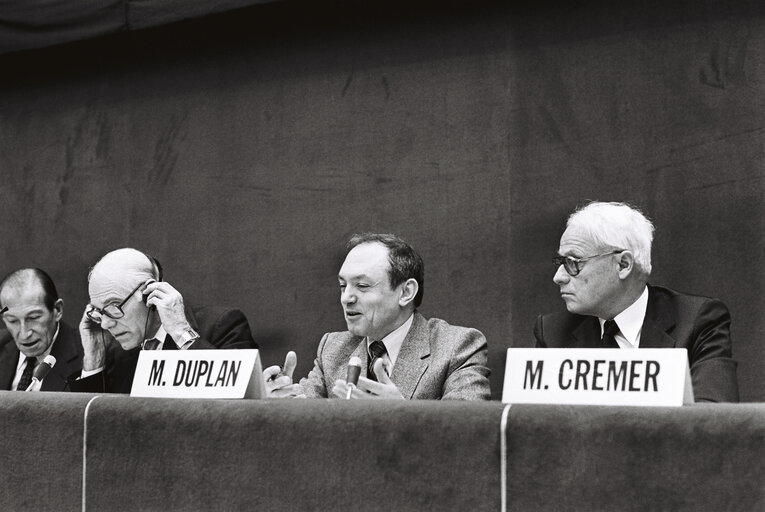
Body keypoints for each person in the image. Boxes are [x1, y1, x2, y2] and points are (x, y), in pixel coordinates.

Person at [535, 201, 738, 402]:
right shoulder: (553, 333)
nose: (558, 277)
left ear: (623, 264)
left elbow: (713, 421)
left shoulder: (698, 322)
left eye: (572, 262)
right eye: (561, 262)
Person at [266, 233, 491, 400]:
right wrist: (281, 402)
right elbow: (307, 413)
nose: (346, 298)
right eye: (343, 285)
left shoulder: (458, 347)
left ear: (406, 292)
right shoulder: (333, 348)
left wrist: (402, 415)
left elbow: (470, 432)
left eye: (362, 285)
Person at [68, 248, 256, 393]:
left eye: (113, 306)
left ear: (149, 292)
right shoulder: (117, 353)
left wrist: (182, 333)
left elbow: (241, 401)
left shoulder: (222, 325)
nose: (105, 324)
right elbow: (90, 426)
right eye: (99, 311)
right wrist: (94, 359)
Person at [0, 268, 83, 391]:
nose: (24, 334)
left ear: (57, 310)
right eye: (13, 321)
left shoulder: (89, 356)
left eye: (33, 318)